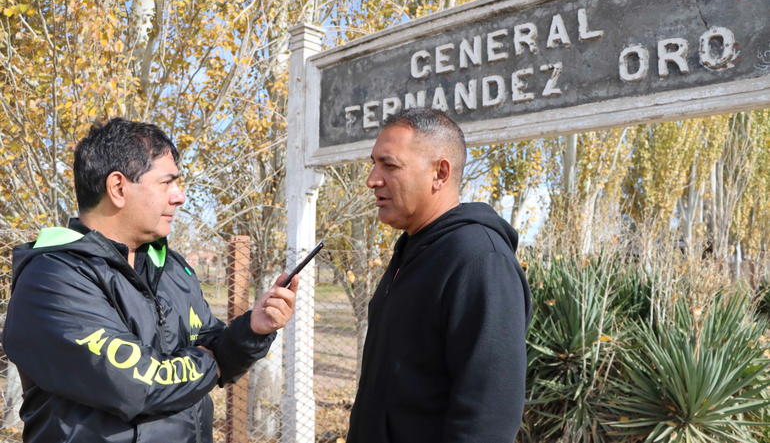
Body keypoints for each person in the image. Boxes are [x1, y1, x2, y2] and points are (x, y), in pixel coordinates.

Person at [3, 118, 298, 443]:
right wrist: (212, 362)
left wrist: (252, 330)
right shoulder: (52, 278)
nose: (180, 196)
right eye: (166, 183)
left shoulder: (172, 267)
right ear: (118, 188)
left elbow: (216, 344)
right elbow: (140, 385)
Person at [347, 108, 532, 443]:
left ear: (440, 174)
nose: (372, 179)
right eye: (373, 164)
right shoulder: (413, 249)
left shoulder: (479, 259)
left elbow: (487, 420)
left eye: (389, 165)